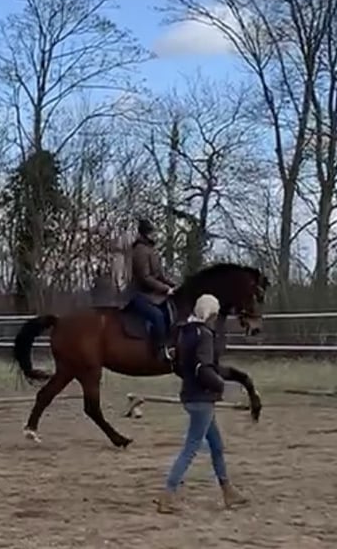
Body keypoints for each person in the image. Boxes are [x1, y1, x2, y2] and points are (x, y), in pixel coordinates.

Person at [156, 294, 249, 514]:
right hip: (201, 398)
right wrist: (222, 387)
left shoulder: (185, 333)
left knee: (216, 446)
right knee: (191, 447)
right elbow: (204, 369)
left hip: (191, 395)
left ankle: (228, 490)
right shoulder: (205, 335)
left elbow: (179, 366)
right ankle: (167, 495)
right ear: (211, 314)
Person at [129, 218, 176, 362]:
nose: (155, 235)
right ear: (146, 234)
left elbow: (160, 275)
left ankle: (172, 344)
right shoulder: (140, 251)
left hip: (152, 295)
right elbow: (145, 277)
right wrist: (165, 289)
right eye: (152, 232)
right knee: (157, 316)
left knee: (171, 311)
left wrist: (174, 286)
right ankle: (160, 349)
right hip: (139, 294)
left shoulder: (152, 250)